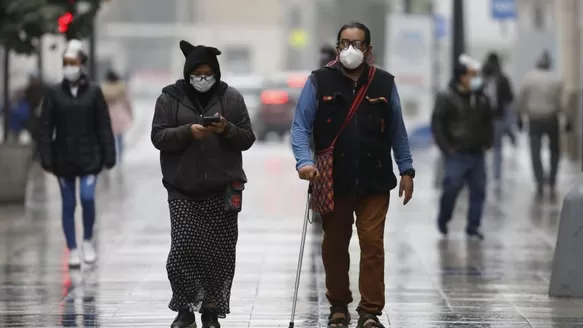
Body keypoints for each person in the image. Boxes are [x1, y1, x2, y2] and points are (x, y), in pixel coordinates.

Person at [291, 22, 414, 328]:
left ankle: (370, 311)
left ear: (368, 50)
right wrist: (304, 162)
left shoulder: (384, 83)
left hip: (375, 179)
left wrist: (407, 169)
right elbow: (300, 126)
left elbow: (398, 130)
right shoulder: (319, 81)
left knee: (372, 244)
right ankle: (338, 305)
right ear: (337, 48)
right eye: (344, 43)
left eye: (357, 44)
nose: (350, 49)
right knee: (334, 244)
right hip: (333, 179)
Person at [150, 40, 255, 328]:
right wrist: (187, 132)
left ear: (217, 73)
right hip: (182, 187)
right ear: (187, 73)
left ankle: (210, 309)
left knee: (219, 253)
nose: (203, 78)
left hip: (224, 187)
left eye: (208, 73)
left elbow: (247, 137)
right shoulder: (169, 98)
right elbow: (158, 136)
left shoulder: (231, 98)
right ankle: (184, 307)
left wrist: (226, 129)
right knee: (183, 249)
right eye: (197, 73)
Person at [38, 39, 116, 267]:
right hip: (63, 159)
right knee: (69, 204)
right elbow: (45, 127)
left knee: (87, 198)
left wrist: (109, 154)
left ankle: (88, 240)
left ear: (82, 64)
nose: (69, 66)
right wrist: (46, 157)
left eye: (74, 62)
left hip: (89, 157)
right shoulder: (53, 93)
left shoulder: (93, 92)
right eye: (66, 62)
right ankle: (72, 248)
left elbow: (103, 124)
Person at [431, 58, 493, 240]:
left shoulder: (481, 98)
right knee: (451, 187)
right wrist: (447, 147)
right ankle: (444, 218)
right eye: (471, 75)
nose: (475, 78)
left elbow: (488, 122)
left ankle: (473, 227)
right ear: (461, 77)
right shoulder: (447, 97)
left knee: (478, 191)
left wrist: (488, 141)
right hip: (456, 153)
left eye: (476, 75)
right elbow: (437, 123)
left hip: (477, 152)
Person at [517, 51, 570, 199]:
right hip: (552, 118)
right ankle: (552, 179)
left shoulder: (528, 78)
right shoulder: (557, 79)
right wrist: (568, 118)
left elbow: (521, 99)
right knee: (555, 151)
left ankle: (539, 180)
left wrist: (519, 116)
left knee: (535, 151)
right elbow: (563, 102)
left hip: (534, 119)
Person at [482, 52, 515, 182]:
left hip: (481, 119)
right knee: (497, 148)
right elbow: (510, 99)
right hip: (497, 118)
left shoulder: (481, 77)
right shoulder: (502, 78)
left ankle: (483, 173)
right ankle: (496, 175)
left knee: (480, 148)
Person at [101, 69, 133, 164]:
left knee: (109, 139)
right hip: (120, 116)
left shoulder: (103, 89)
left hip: (107, 116)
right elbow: (127, 102)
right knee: (120, 139)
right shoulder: (122, 88)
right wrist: (131, 114)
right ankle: (120, 158)